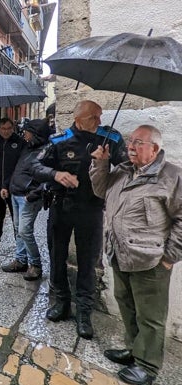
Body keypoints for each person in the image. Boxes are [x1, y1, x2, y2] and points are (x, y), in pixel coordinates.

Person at [90, 125, 181, 385]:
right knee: (127, 304)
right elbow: (100, 190)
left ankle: (147, 366)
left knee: (150, 315)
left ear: (155, 149)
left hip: (150, 260)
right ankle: (133, 350)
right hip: (120, 253)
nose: (131, 146)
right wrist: (101, 162)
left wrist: (169, 256)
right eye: (131, 141)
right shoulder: (122, 170)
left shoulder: (171, 177)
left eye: (138, 142)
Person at [32, 100, 127, 339]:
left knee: (88, 262)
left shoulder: (111, 139)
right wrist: (56, 173)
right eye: (93, 117)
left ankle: (84, 313)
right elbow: (33, 165)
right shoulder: (59, 140)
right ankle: (61, 302)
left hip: (91, 210)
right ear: (78, 119)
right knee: (57, 257)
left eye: (100, 116)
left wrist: (104, 162)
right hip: (61, 207)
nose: (99, 121)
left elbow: (128, 171)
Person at [1, 119, 49, 280]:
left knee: (24, 231)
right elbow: (18, 168)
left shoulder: (46, 151)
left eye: (27, 131)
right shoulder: (27, 147)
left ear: (35, 134)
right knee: (18, 229)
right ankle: (21, 260)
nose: (25, 134)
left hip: (28, 197)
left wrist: (33, 194)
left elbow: (47, 178)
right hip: (16, 194)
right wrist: (8, 186)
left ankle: (35, 264)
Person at [0, 117, 24, 255]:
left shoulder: (20, 143)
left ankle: (20, 248)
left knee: (17, 219)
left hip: (14, 187)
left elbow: (22, 165)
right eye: (3, 129)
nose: (6, 131)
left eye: (9, 128)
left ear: (12, 128)